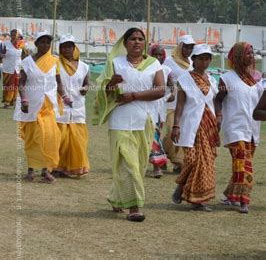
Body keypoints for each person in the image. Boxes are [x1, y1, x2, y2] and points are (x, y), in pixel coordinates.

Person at [93, 27, 165, 222]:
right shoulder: (115, 63)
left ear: (145, 43)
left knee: (139, 166)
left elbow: (160, 90)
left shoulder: (153, 64)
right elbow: (103, 91)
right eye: (132, 39)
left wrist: (134, 95)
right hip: (120, 121)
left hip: (144, 122)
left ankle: (117, 198)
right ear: (124, 43)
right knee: (128, 164)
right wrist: (110, 84)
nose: (136, 42)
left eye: (140, 39)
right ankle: (135, 208)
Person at [14, 31, 71, 184]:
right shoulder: (26, 62)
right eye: (42, 42)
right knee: (34, 139)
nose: (45, 45)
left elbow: (58, 83)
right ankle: (31, 171)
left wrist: (65, 96)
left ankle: (46, 170)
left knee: (50, 137)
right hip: (32, 106)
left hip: (49, 107)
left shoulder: (55, 61)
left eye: (48, 42)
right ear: (36, 44)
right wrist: (24, 99)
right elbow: (21, 83)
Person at [214, 42, 262, 213]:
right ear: (239, 56)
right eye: (247, 53)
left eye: (252, 52)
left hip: (252, 129)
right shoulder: (227, 78)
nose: (251, 56)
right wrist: (218, 116)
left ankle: (230, 195)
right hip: (234, 127)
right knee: (244, 163)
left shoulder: (257, 79)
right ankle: (244, 201)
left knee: (239, 165)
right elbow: (218, 99)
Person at [171, 44, 219, 212]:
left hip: (208, 126)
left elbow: (215, 103)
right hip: (191, 125)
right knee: (191, 160)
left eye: (207, 59)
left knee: (205, 162)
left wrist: (218, 119)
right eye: (200, 58)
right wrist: (176, 125)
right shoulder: (185, 79)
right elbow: (180, 105)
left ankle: (198, 201)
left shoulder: (212, 80)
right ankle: (181, 185)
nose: (204, 62)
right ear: (194, 60)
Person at [54, 34, 90, 177]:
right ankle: (57, 167)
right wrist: (64, 96)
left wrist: (85, 89)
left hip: (78, 107)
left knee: (77, 141)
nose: (67, 49)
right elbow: (57, 83)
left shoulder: (84, 66)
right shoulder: (56, 64)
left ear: (74, 48)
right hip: (60, 106)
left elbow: (87, 83)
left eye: (69, 46)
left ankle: (73, 168)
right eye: (64, 47)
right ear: (60, 48)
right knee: (60, 140)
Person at [162, 34, 196, 173]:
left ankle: (177, 162)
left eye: (191, 48)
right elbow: (162, 78)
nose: (188, 50)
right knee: (171, 131)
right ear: (180, 47)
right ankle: (164, 155)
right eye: (186, 47)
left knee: (182, 133)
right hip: (171, 102)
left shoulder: (192, 63)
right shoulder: (169, 61)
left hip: (186, 104)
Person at [148, 44, 174, 178]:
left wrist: (172, 94)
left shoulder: (166, 69)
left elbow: (172, 85)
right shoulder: (146, 68)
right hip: (146, 107)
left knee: (155, 136)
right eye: (155, 54)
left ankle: (157, 164)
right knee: (150, 137)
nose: (158, 57)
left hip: (159, 108)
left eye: (160, 55)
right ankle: (157, 164)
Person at [1, 29, 28, 108]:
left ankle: (12, 102)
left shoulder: (22, 45)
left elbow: (25, 55)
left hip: (17, 68)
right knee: (7, 85)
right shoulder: (6, 44)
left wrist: (24, 65)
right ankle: (6, 101)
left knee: (16, 85)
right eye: (12, 35)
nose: (13, 37)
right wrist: (2, 55)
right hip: (7, 67)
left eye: (15, 35)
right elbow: (1, 53)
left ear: (18, 36)